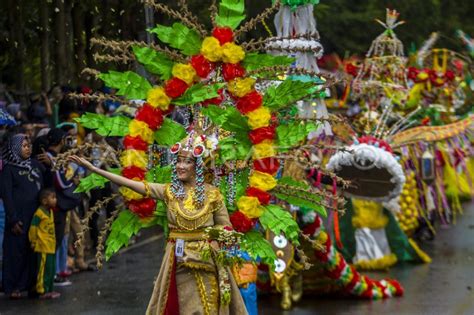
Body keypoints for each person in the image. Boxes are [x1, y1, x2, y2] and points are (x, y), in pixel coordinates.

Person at [70, 134, 248, 315]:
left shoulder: (213, 195)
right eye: (178, 161)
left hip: (207, 264)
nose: (180, 166)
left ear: (199, 166)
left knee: (207, 308)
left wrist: (209, 245)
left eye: (187, 162)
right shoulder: (169, 191)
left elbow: (226, 230)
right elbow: (133, 185)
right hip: (178, 262)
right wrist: (94, 169)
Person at [0, 134, 44, 298]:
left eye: (29, 145)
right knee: (15, 253)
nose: (28, 148)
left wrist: (50, 163)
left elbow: (47, 183)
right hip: (18, 218)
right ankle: (13, 287)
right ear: (15, 148)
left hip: (35, 217)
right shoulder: (8, 170)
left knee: (32, 252)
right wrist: (13, 219)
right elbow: (7, 196)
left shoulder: (35, 165)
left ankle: (30, 284)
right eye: (24, 146)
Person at [28, 189, 61, 299]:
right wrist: (33, 241)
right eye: (53, 198)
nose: (55, 200)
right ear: (44, 201)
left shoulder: (51, 212)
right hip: (42, 246)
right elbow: (33, 228)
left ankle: (49, 289)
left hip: (50, 246)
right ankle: (41, 290)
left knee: (51, 270)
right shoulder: (39, 213)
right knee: (43, 269)